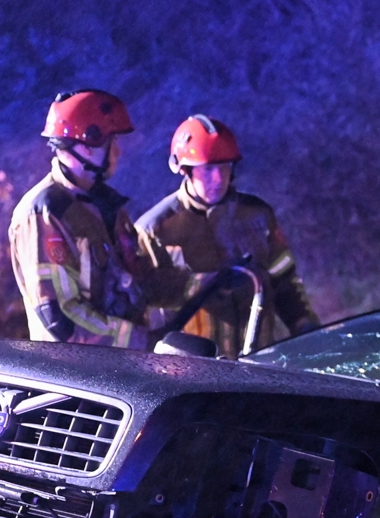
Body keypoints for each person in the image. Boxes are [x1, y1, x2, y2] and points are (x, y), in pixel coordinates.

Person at [136, 114, 319, 358]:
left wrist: (304, 325)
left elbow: (284, 281)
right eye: (208, 169)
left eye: (225, 167)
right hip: (192, 371)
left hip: (258, 360)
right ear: (185, 170)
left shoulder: (257, 215)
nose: (218, 179)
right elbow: (144, 307)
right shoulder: (155, 231)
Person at [7, 89, 150, 349]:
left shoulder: (108, 206)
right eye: (112, 141)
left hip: (123, 369)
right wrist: (139, 339)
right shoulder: (44, 213)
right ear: (87, 144)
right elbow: (59, 318)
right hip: (75, 376)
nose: (118, 152)